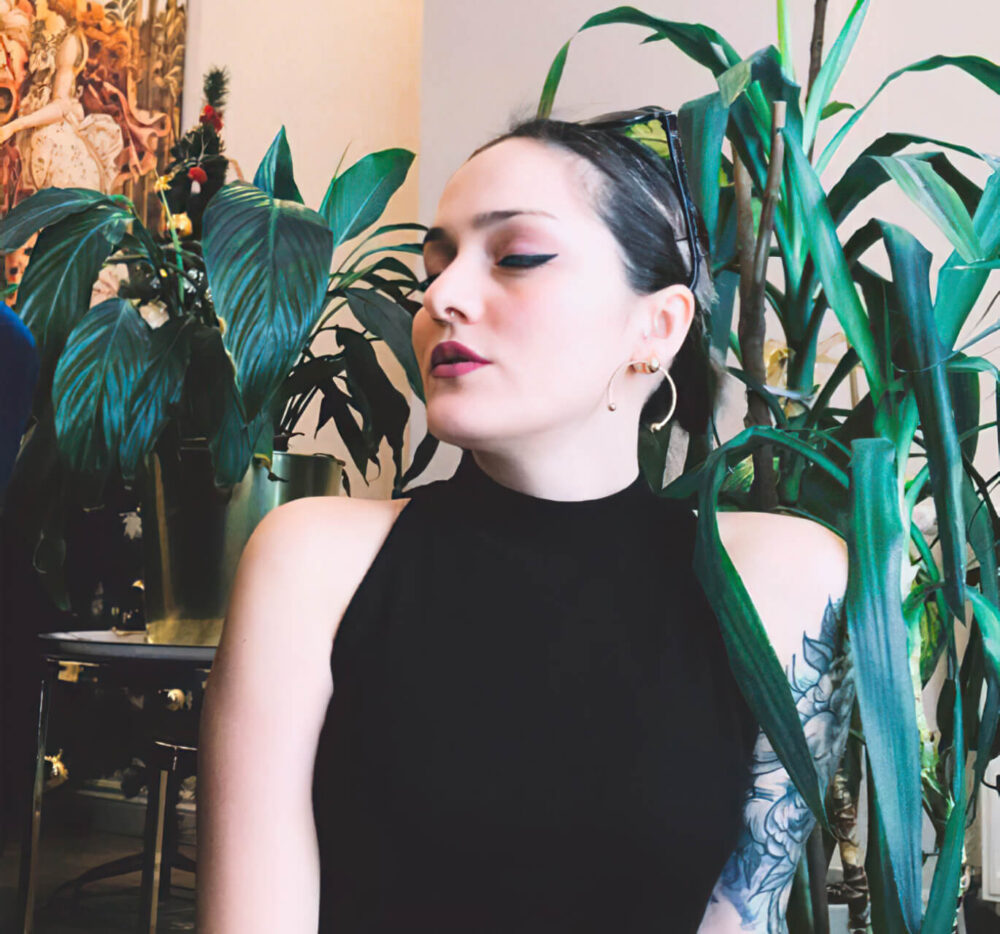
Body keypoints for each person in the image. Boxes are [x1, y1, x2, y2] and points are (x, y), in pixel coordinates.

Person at [197, 107, 853, 933]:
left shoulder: (781, 582)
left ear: (657, 328)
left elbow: (743, 916)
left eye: (518, 256)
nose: (441, 296)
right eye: (434, 266)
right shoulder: (313, 564)